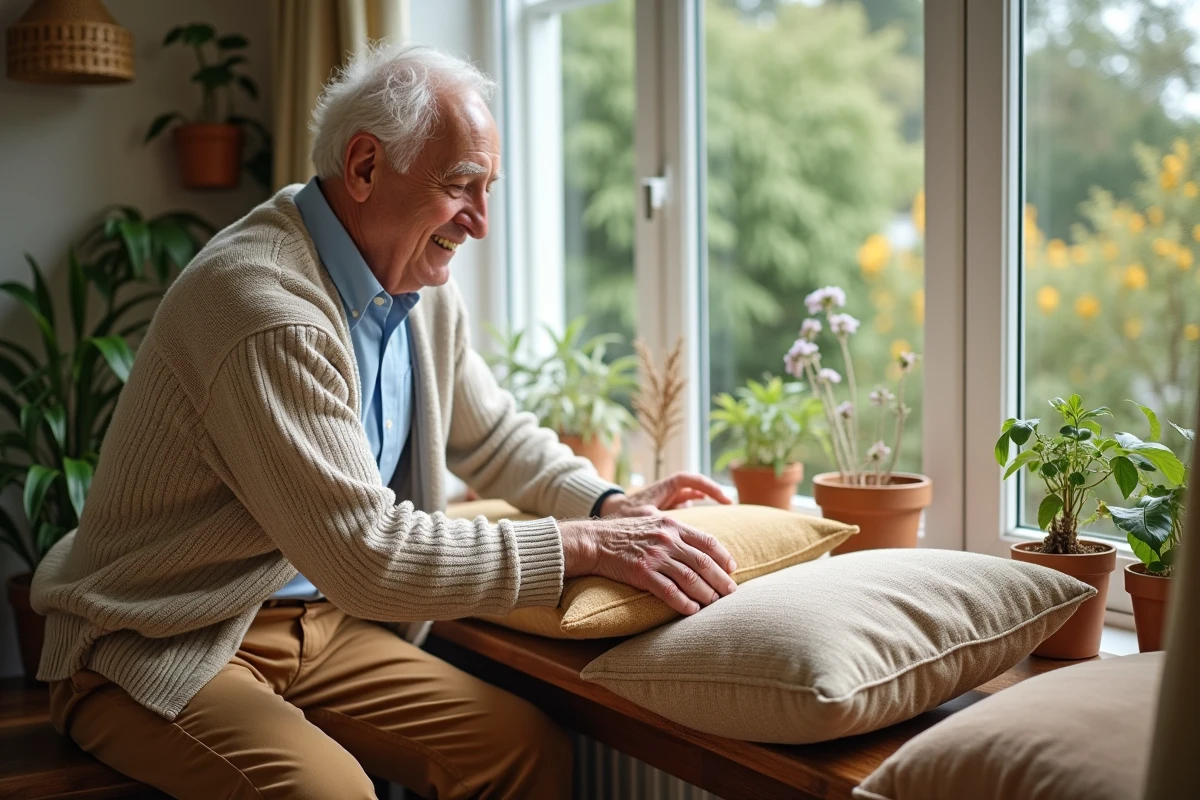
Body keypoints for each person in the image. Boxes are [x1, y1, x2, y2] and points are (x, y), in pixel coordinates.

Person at [31, 43, 737, 799]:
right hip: (163, 639)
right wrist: (585, 544)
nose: (482, 223)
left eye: (489, 188)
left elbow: (491, 436)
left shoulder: (420, 289)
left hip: (320, 629)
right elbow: (366, 554)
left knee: (524, 752)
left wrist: (605, 503)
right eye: (463, 185)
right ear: (365, 167)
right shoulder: (264, 306)